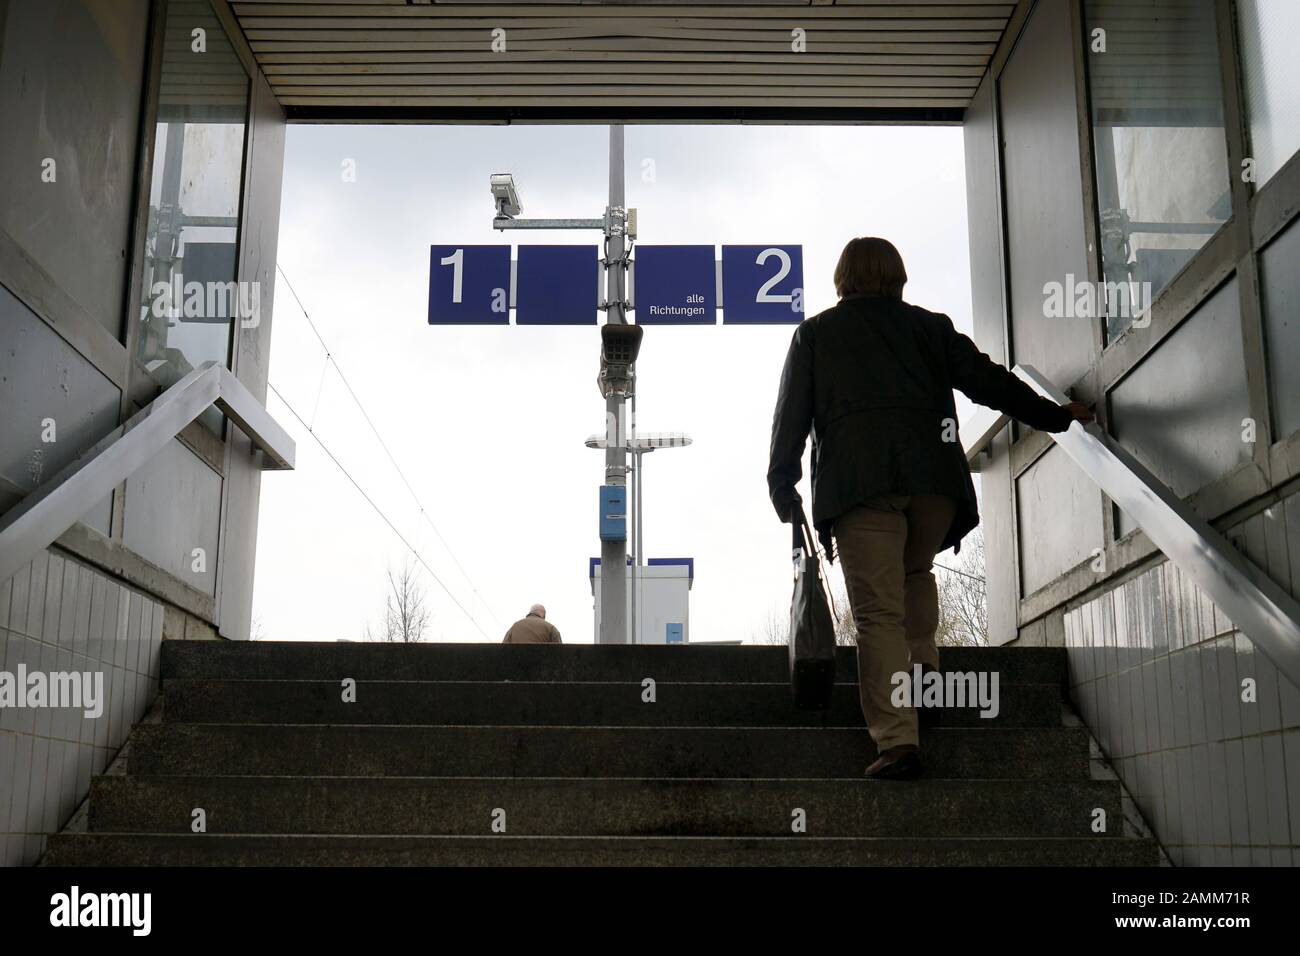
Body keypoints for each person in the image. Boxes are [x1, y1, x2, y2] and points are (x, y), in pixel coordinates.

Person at [767, 237, 1092, 780]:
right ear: (898, 277)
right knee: (914, 576)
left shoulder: (816, 335)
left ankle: (898, 740)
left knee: (878, 615)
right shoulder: (930, 327)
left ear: (842, 278)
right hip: (933, 486)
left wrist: (784, 486)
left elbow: (791, 419)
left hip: (860, 486)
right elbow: (989, 383)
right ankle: (924, 687)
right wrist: (1058, 417)